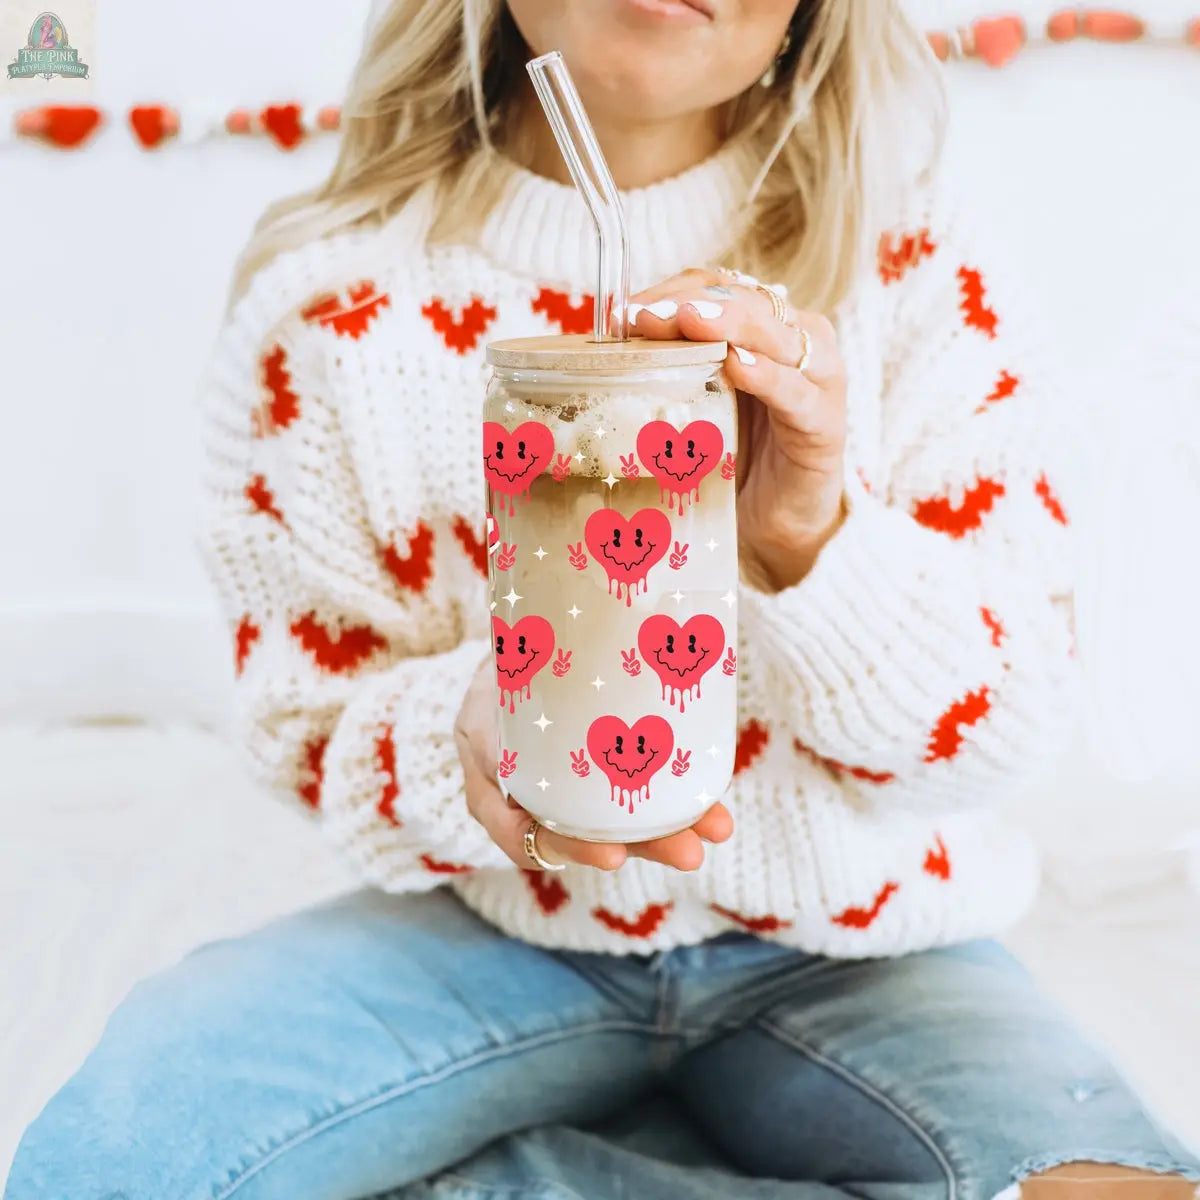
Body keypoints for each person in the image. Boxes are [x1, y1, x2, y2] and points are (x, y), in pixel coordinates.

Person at [8, 2, 1200, 1198]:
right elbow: (305, 721)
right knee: (111, 1161)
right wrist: (467, 730)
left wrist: (805, 538)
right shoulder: (332, 314)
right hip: (498, 932)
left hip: (861, 946)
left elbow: (1008, 725)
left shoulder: (916, 265)